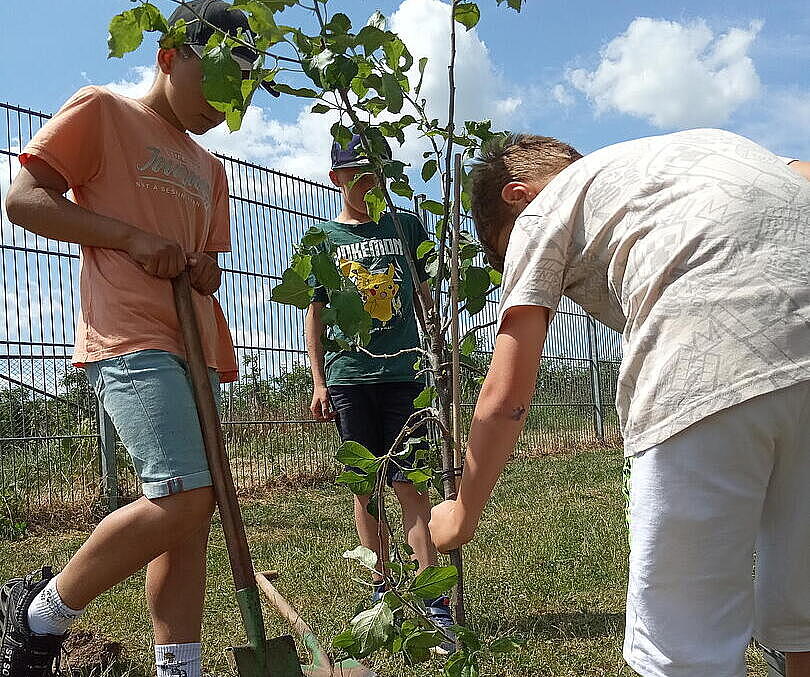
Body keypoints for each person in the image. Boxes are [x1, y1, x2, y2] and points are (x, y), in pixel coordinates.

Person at [428, 129, 810, 677]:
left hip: (703, 363)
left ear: (516, 194)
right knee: (805, 616)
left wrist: (460, 516)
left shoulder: (543, 211)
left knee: (686, 648)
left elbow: (507, 392)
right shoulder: (687, 154)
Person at [0, 2, 271, 675]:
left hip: (195, 338)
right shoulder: (104, 112)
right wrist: (128, 236)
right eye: (212, 80)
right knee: (182, 495)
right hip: (130, 334)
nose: (222, 103)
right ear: (169, 55)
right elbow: (24, 198)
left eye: (237, 90)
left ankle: (179, 665)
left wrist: (205, 268)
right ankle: (38, 615)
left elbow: (206, 261)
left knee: (188, 519)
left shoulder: (212, 169)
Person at [305, 135, 456, 654]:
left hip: (405, 375)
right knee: (364, 487)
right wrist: (320, 380)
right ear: (337, 179)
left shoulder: (405, 225)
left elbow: (425, 298)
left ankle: (435, 606)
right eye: (357, 174)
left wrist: (441, 357)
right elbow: (317, 315)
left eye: (375, 173)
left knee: (410, 482)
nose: (368, 183)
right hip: (349, 376)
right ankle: (381, 593)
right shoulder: (321, 239)